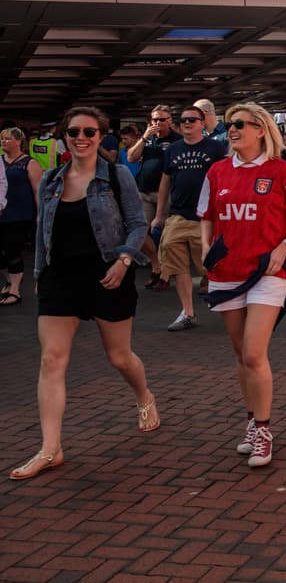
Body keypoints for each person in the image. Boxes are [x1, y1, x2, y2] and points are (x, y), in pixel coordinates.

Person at [10, 107, 158, 481]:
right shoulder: (51, 180)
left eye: (89, 132)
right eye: (73, 131)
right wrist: (40, 272)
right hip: (61, 278)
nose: (81, 138)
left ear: (100, 136)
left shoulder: (116, 175)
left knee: (120, 357)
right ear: (64, 136)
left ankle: (144, 396)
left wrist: (124, 260)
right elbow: (43, 229)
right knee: (51, 360)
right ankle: (50, 448)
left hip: (108, 272)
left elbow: (138, 223)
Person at [198, 103, 286, 469]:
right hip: (226, 273)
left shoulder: (282, 170)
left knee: (253, 353)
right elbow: (206, 215)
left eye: (239, 124)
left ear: (260, 129)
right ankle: (251, 420)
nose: (231, 130)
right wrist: (206, 247)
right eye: (229, 125)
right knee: (239, 355)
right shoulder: (217, 171)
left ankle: (264, 429)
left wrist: (285, 245)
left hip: (267, 273)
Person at [152, 106, 227, 332]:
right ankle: (188, 312)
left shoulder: (215, 148)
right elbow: (165, 182)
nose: (187, 123)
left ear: (202, 123)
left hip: (205, 218)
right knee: (176, 266)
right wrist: (159, 215)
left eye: (192, 120)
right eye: (183, 120)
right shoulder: (173, 149)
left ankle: (232, 307)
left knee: (210, 266)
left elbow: (225, 179)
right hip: (177, 215)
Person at [128, 105, 181, 285]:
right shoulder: (147, 139)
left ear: (170, 121)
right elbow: (131, 158)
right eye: (155, 120)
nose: (158, 123)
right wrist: (144, 138)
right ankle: (156, 265)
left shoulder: (177, 140)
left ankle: (165, 272)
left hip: (165, 193)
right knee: (140, 231)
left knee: (166, 235)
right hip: (143, 191)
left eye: (162, 119)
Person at [1, 127, 42, 306]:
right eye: (2, 139)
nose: (3, 142)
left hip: (19, 214)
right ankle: (8, 279)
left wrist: (40, 213)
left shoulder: (28, 162)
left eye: (7, 139)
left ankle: (15, 289)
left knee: (13, 250)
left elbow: (37, 190)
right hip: (1, 211)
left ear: (18, 141)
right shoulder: (0, 161)